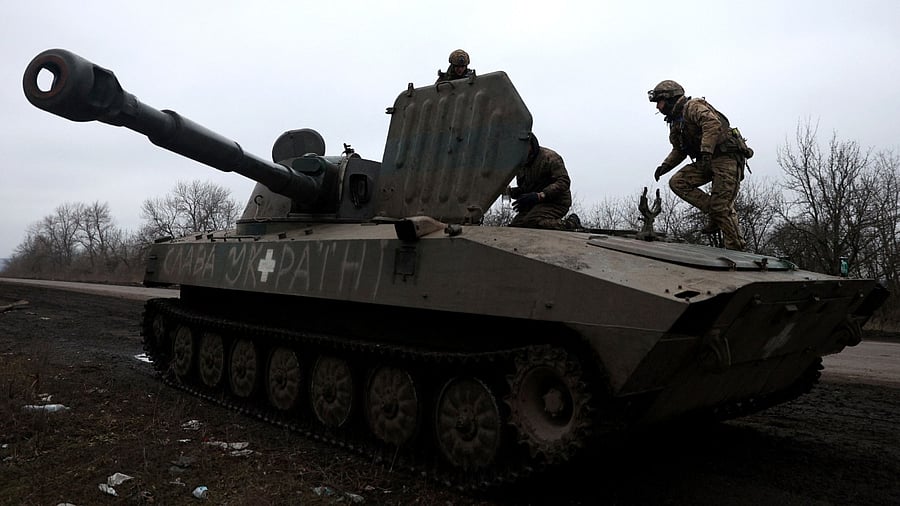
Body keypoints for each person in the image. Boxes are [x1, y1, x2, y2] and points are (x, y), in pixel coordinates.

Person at [648, 80, 751, 251]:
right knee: (678, 182)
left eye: (660, 101)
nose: (658, 107)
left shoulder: (693, 106)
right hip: (707, 160)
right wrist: (665, 166)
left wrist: (705, 152)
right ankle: (715, 214)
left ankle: (736, 249)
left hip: (726, 158)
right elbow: (679, 149)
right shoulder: (676, 123)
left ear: (671, 98)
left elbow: (712, 124)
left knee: (721, 207)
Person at [508, 133, 581, 230]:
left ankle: (571, 224)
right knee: (516, 226)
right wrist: (515, 192)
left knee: (532, 222)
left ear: (530, 144)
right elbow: (526, 187)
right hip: (536, 204)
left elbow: (563, 182)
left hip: (556, 201)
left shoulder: (549, 158)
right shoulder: (522, 163)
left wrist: (540, 195)